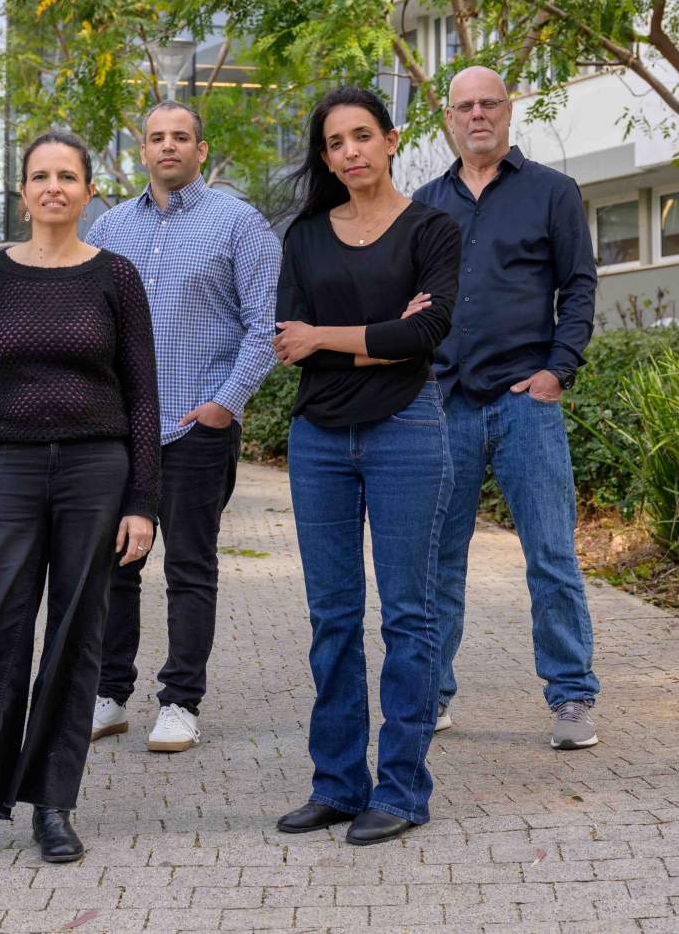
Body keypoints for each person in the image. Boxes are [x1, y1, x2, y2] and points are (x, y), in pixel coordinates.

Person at [0, 130, 159, 880]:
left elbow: (144, 394)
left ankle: (53, 803)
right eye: (40, 176)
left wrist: (143, 499)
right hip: (13, 470)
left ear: (86, 191)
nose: (53, 187)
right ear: (23, 190)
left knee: (77, 635)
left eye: (67, 176)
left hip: (96, 469)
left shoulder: (116, 276)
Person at [272, 87, 461, 845]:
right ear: (325, 157)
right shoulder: (306, 235)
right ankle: (339, 784)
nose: (350, 151)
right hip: (319, 439)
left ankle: (404, 789)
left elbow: (433, 330)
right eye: (335, 143)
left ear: (391, 139)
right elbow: (290, 339)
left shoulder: (433, 228)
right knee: (334, 619)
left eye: (362, 136)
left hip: (407, 429)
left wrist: (331, 335)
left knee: (410, 615)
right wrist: (377, 332)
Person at [413, 66, 601, 749]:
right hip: (447, 402)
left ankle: (573, 696)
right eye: (464, 106)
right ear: (449, 118)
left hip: (527, 399)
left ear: (508, 109)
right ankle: (430, 694)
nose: (477, 115)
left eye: (489, 102)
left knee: (551, 553)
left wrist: (558, 371)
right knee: (437, 561)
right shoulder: (425, 205)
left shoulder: (552, 192)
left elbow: (578, 288)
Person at [85, 101, 280, 754]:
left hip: (197, 427)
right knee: (114, 566)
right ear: (142, 149)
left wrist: (225, 403)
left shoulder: (239, 224)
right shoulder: (109, 228)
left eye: (181, 136)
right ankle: (110, 694)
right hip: (120, 430)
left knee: (190, 568)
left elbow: (262, 326)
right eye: (156, 137)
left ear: (201, 148)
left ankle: (180, 701)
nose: (168, 146)